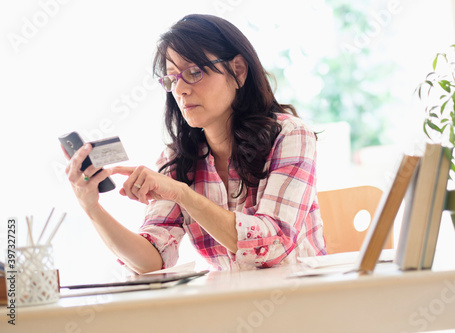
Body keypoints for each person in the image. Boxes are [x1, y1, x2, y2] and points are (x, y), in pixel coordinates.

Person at [64, 14, 326, 273]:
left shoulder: (290, 135)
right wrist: (92, 208)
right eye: (172, 79)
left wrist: (182, 193)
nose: (180, 90)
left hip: (300, 299)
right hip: (232, 304)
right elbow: (151, 259)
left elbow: (274, 245)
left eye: (193, 72)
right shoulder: (177, 158)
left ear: (238, 71)